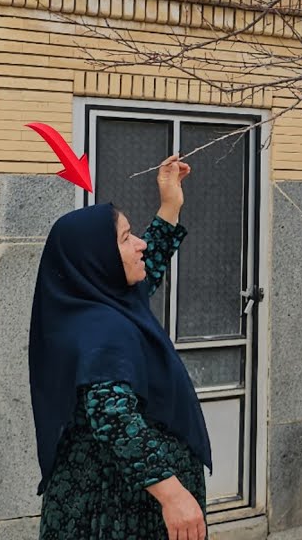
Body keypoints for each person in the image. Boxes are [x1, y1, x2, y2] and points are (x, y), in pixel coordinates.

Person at [29, 155, 212, 540]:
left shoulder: (100, 302)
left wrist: (169, 205)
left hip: (110, 499)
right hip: (113, 509)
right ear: (99, 260)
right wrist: (173, 494)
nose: (140, 243)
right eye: (126, 237)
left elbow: (147, 271)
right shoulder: (102, 330)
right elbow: (114, 418)